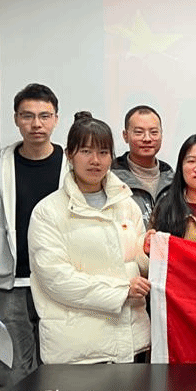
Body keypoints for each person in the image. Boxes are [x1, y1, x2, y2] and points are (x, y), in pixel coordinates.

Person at [0, 83, 68, 391]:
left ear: (56, 119)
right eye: (28, 116)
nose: (36, 124)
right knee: (12, 375)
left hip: (59, 283)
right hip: (9, 286)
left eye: (44, 116)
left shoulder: (72, 164)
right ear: (16, 119)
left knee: (60, 371)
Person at [28, 112, 150, 364]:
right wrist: (121, 291)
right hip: (77, 350)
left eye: (103, 152)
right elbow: (57, 279)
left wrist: (150, 251)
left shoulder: (127, 204)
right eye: (86, 151)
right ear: (69, 154)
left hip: (132, 343)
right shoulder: (48, 211)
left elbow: (138, 264)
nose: (95, 160)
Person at [112, 104, 174, 227]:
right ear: (125, 136)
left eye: (154, 132)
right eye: (139, 132)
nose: (147, 138)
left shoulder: (173, 180)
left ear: (161, 135)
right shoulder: (111, 178)